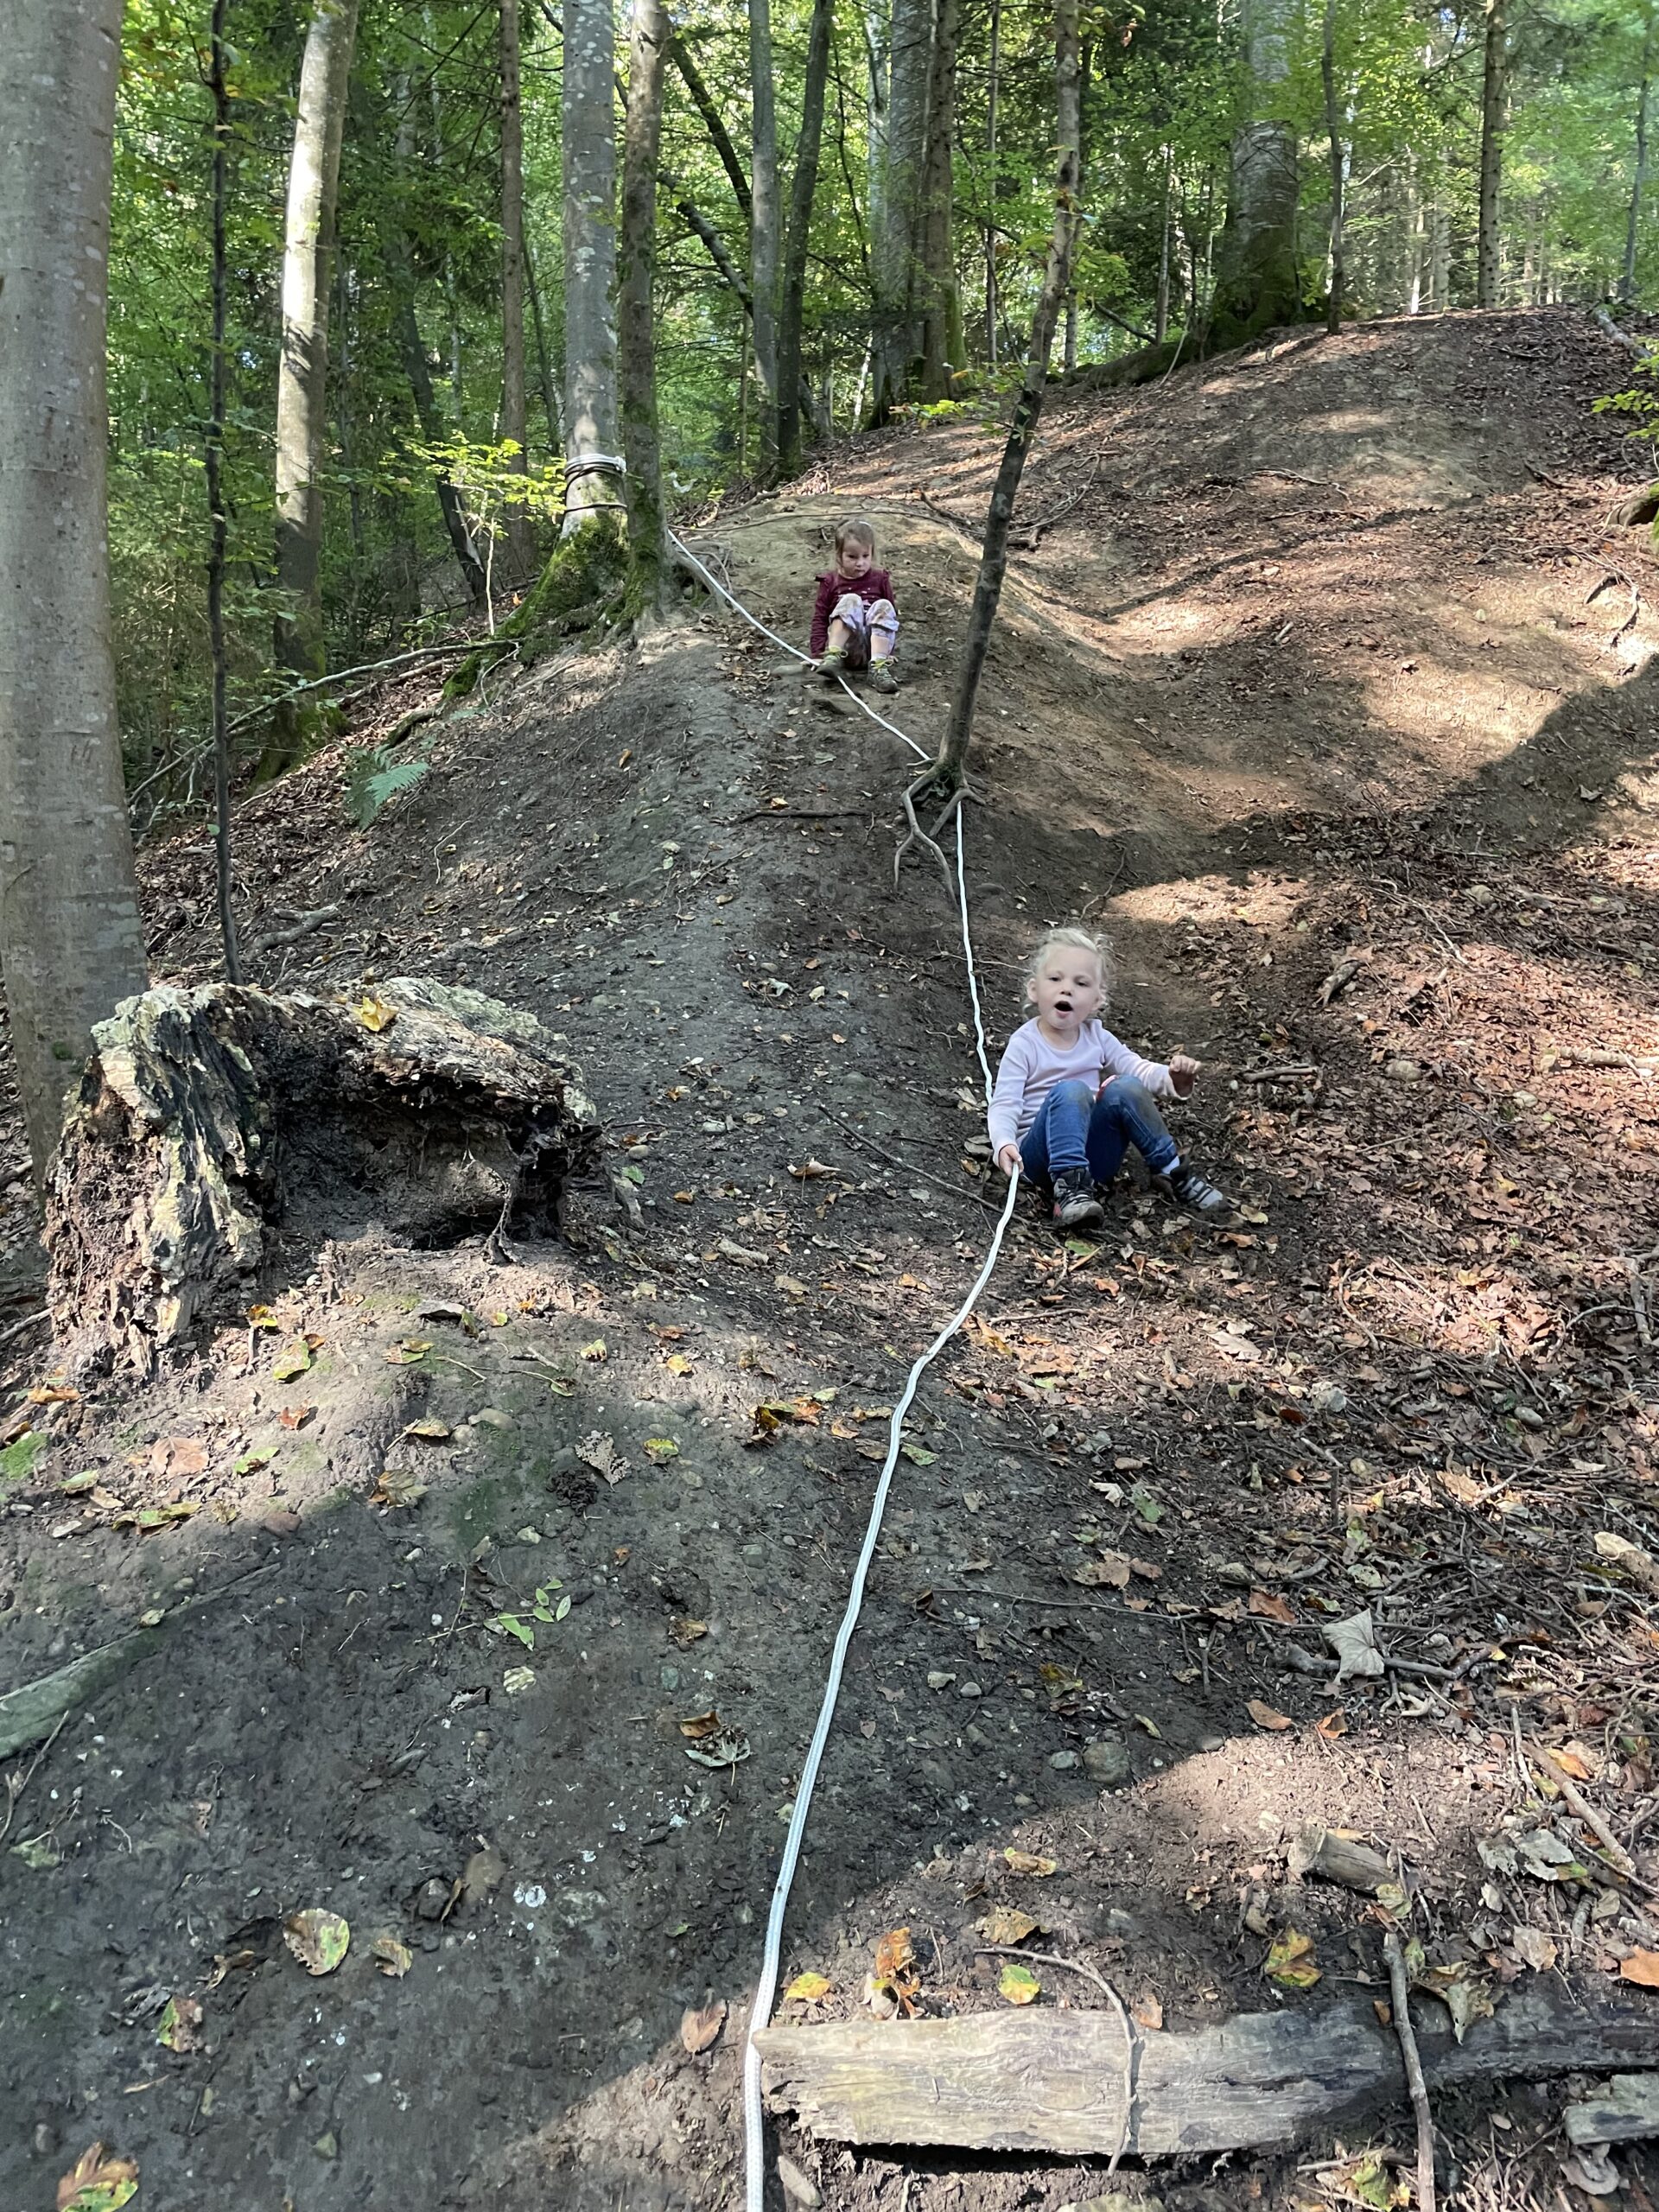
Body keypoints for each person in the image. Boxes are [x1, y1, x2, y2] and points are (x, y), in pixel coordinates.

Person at [988, 926, 1229, 1230]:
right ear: (1034, 989)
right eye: (1055, 979)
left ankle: (1171, 1171)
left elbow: (1137, 1069)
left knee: (1124, 1086)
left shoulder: (1097, 1037)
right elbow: (1005, 1103)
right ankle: (1068, 1192)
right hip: (1039, 1162)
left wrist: (1173, 1078)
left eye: (1081, 983)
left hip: (1093, 1161)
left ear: (1097, 999)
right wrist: (1003, 1142)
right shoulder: (1025, 1043)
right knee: (1071, 1091)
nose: (1067, 989)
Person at [809, 517, 899, 696]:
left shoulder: (880, 579)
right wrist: (817, 653)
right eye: (852, 557)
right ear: (839, 555)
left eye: (866, 556)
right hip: (846, 649)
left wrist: (889, 650)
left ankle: (878, 668)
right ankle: (833, 657)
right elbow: (820, 617)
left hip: (872, 649)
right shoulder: (830, 581)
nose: (860, 563)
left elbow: (891, 616)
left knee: (883, 605)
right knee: (851, 600)